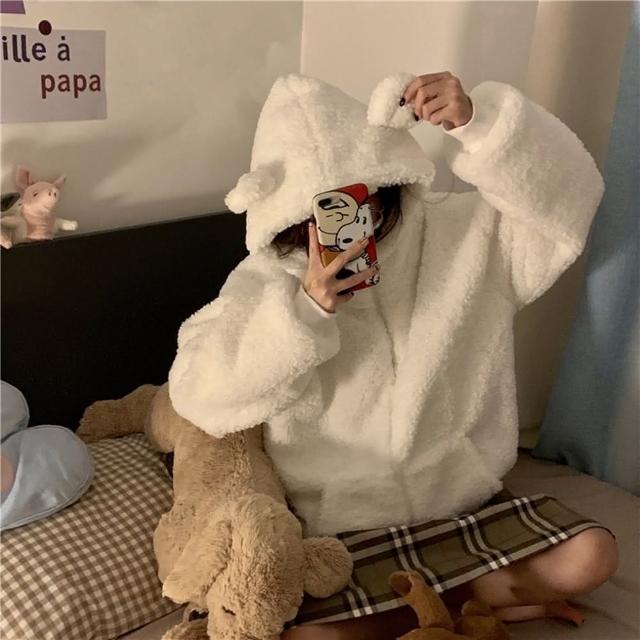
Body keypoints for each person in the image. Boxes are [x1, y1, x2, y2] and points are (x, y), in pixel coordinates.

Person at [168, 71, 618, 638]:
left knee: (593, 555)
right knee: (304, 637)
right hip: (344, 527)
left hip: (464, 503)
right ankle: (464, 601)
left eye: (357, 201)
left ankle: (427, 604)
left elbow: (568, 206)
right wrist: (305, 313)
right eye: (318, 213)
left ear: (384, 181)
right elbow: (200, 394)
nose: (344, 227)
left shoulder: (467, 234)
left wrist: (480, 124)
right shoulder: (265, 282)